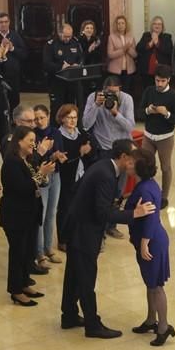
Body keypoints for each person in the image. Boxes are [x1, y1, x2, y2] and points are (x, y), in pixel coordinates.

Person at [60, 139, 156, 337]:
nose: (135, 162)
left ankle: (69, 315)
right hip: (84, 232)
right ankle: (92, 325)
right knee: (86, 278)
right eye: (133, 158)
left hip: (76, 226)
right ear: (123, 157)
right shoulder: (106, 175)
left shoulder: (103, 166)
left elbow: (78, 188)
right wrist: (134, 215)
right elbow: (103, 213)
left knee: (73, 275)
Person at [125, 149, 175, 346]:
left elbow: (151, 218)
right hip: (151, 240)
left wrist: (144, 242)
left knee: (156, 287)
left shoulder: (145, 189)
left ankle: (163, 327)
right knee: (150, 283)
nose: (127, 164)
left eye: (130, 162)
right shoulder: (146, 185)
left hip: (152, 242)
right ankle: (150, 320)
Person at [0, 126, 55, 307]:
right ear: (19, 141)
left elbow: (38, 182)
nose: (33, 144)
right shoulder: (11, 162)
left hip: (30, 214)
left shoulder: (28, 159)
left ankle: (24, 284)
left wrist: (44, 176)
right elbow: (23, 187)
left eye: (34, 140)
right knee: (18, 253)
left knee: (27, 252)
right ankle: (16, 291)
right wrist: (41, 175)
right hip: (16, 215)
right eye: (30, 140)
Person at [82, 75, 135, 239]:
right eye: (108, 93)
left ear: (120, 90)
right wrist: (97, 105)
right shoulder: (94, 97)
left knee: (118, 191)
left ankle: (111, 225)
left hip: (122, 150)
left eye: (115, 93)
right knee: (101, 191)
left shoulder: (127, 99)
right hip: (103, 149)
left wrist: (115, 113)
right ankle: (99, 228)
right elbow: (85, 124)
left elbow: (130, 126)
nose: (111, 96)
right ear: (103, 90)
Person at [141, 64, 175, 209]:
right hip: (148, 135)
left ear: (168, 80)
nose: (159, 84)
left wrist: (166, 114)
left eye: (162, 81)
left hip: (165, 137)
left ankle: (164, 197)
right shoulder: (149, 91)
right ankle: (145, 193)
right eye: (157, 80)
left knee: (165, 168)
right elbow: (139, 111)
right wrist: (148, 110)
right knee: (144, 165)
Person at [54, 104, 93, 253]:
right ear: (62, 119)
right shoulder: (58, 135)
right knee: (65, 208)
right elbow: (63, 158)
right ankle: (63, 239)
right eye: (69, 117)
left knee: (79, 207)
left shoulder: (81, 133)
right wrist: (79, 152)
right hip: (65, 177)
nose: (72, 120)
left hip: (80, 175)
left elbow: (90, 148)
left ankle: (76, 236)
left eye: (75, 117)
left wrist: (88, 149)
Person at [33, 104, 67, 272]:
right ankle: (39, 253)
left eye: (42, 117)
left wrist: (57, 155)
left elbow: (60, 150)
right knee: (42, 213)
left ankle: (48, 248)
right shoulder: (33, 135)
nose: (39, 121)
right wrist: (48, 154)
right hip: (42, 175)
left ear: (48, 116)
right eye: (36, 118)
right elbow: (34, 159)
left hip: (56, 174)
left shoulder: (56, 132)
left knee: (52, 213)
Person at [43, 23, 83, 124]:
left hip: (71, 81)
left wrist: (77, 64)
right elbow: (46, 64)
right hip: (56, 82)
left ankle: (69, 127)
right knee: (57, 108)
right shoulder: (51, 44)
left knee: (70, 107)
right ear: (59, 33)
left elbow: (81, 57)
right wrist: (61, 67)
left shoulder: (75, 42)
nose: (68, 38)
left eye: (70, 36)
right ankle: (54, 130)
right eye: (65, 36)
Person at [0, 11, 28, 115]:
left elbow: (24, 55)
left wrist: (12, 48)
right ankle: (1, 126)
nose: (3, 24)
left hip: (13, 75)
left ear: (9, 22)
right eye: (1, 22)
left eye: (5, 22)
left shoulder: (15, 36)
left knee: (14, 100)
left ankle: (15, 122)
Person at [136, 16, 173, 91]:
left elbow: (169, 51)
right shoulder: (146, 35)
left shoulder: (167, 37)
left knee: (161, 91)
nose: (157, 26)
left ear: (162, 26)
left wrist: (157, 43)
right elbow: (138, 48)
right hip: (146, 70)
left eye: (159, 24)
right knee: (148, 90)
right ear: (152, 26)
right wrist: (151, 42)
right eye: (155, 24)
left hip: (162, 70)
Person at [76, 20, 103, 118]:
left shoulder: (97, 40)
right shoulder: (78, 41)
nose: (89, 30)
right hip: (83, 72)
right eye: (87, 28)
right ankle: (83, 116)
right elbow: (80, 57)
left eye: (91, 28)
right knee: (83, 96)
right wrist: (89, 50)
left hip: (95, 71)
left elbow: (100, 56)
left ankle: (94, 115)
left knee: (95, 95)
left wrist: (94, 50)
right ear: (83, 29)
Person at [107, 15, 137, 94]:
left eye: (122, 23)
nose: (120, 25)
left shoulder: (131, 37)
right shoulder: (111, 37)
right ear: (116, 25)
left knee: (126, 93)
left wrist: (128, 49)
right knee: (115, 93)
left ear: (126, 25)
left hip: (128, 71)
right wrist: (123, 50)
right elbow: (110, 54)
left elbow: (135, 55)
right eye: (118, 23)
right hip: (115, 71)